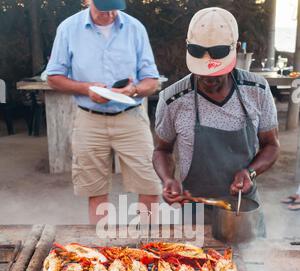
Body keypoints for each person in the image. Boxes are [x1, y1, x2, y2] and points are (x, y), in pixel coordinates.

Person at [153, 7, 280, 223]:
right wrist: (167, 179)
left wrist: (250, 172)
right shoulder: (172, 99)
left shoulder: (256, 90)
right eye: (201, 72)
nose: (208, 78)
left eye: (215, 72)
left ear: (236, 49)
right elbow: (162, 150)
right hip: (194, 214)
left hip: (242, 213)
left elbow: (271, 145)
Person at [46, 0, 161, 224]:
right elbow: (53, 77)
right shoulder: (68, 28)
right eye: (103, 7)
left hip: (131, 118)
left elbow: (152, 81)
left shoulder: (135, 28)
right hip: (89, 120)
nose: (109, 14)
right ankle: (102, 250)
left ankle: (148, 245)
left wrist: (135, 89)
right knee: (95, 188)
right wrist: (85, 89)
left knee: (150, 184)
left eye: (114, 7)